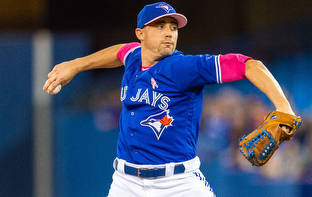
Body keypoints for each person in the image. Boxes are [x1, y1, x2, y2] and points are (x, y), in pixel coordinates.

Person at [43, 2, 297, 197]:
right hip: (125, 182)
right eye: (160, 26)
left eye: (173, 28)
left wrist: (282, 105)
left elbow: (249, 65)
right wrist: (76, 65)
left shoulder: (183, 67)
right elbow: (120, 52)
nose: (169, 33)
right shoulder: (134, 57)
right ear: (140, 34)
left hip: (178, 183)